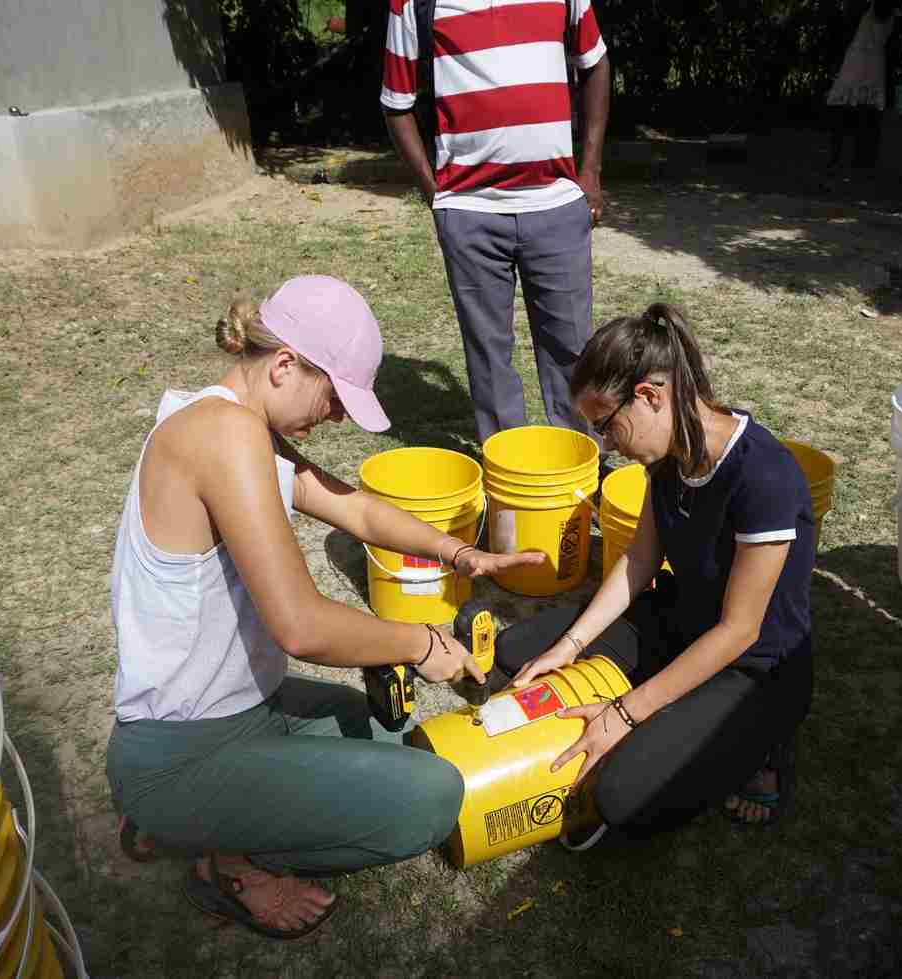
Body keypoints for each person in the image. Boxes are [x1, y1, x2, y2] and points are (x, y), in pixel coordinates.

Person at [105, 275, 543, 940]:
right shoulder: (224, 435)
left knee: (384, 726)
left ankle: (197, 818)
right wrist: (419, 643)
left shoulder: (230, 420)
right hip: (181, 750)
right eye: (335, 396)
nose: (336, 415)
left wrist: (459, 554)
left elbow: (354, 507)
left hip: (243, 710)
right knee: (430, 798)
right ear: (284, 365)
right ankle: (224, 860)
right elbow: (300, 624)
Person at [493, 303, 815, 838]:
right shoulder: (666, 456)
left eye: (605, 426)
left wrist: (624, 713)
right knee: (519, 654)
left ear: (650, 396)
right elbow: (640, 561)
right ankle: (666, 703)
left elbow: (741, 630)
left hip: (754, 667)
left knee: (623, 799)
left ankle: (766, 745)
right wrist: (569, 648)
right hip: (681, 622)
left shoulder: (764, 475)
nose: (606, 445)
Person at [380, 0, 611, 447]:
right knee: (488, 358)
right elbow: (396, 104)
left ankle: (582, 474)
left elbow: (596, 64)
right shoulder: (411, 3)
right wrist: (438, 195)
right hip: (470, 215)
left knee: (574, 352)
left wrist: (592, 170)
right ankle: (510, 479)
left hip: (557, 206)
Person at [826, 0, 901, 170]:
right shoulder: (887, 14)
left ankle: (842, 159)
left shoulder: (868, 10)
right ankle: (853, 160)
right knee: (861, 115)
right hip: (869, 66)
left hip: (859, 64)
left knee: (846, 113)